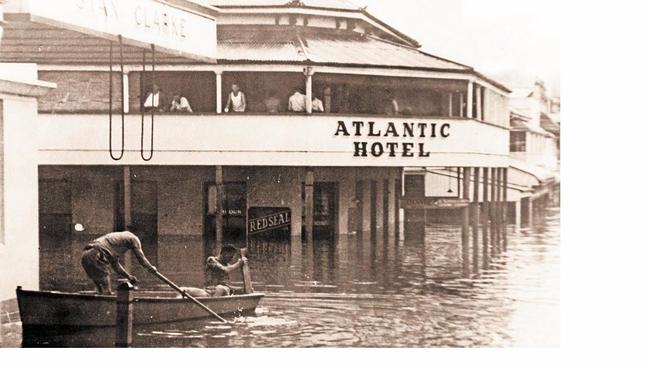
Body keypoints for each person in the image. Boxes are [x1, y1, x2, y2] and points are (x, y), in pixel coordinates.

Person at [80, 231, 157, 295]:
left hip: (85, 254)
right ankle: (107, 301)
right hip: (97, 253)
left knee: (100, 288)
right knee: (107, 290)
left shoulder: (116, 242)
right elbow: (141, 258)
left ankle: (101, 295)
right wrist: (150, 267)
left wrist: (128, 276)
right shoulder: (134, 239)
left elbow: (116, 266)